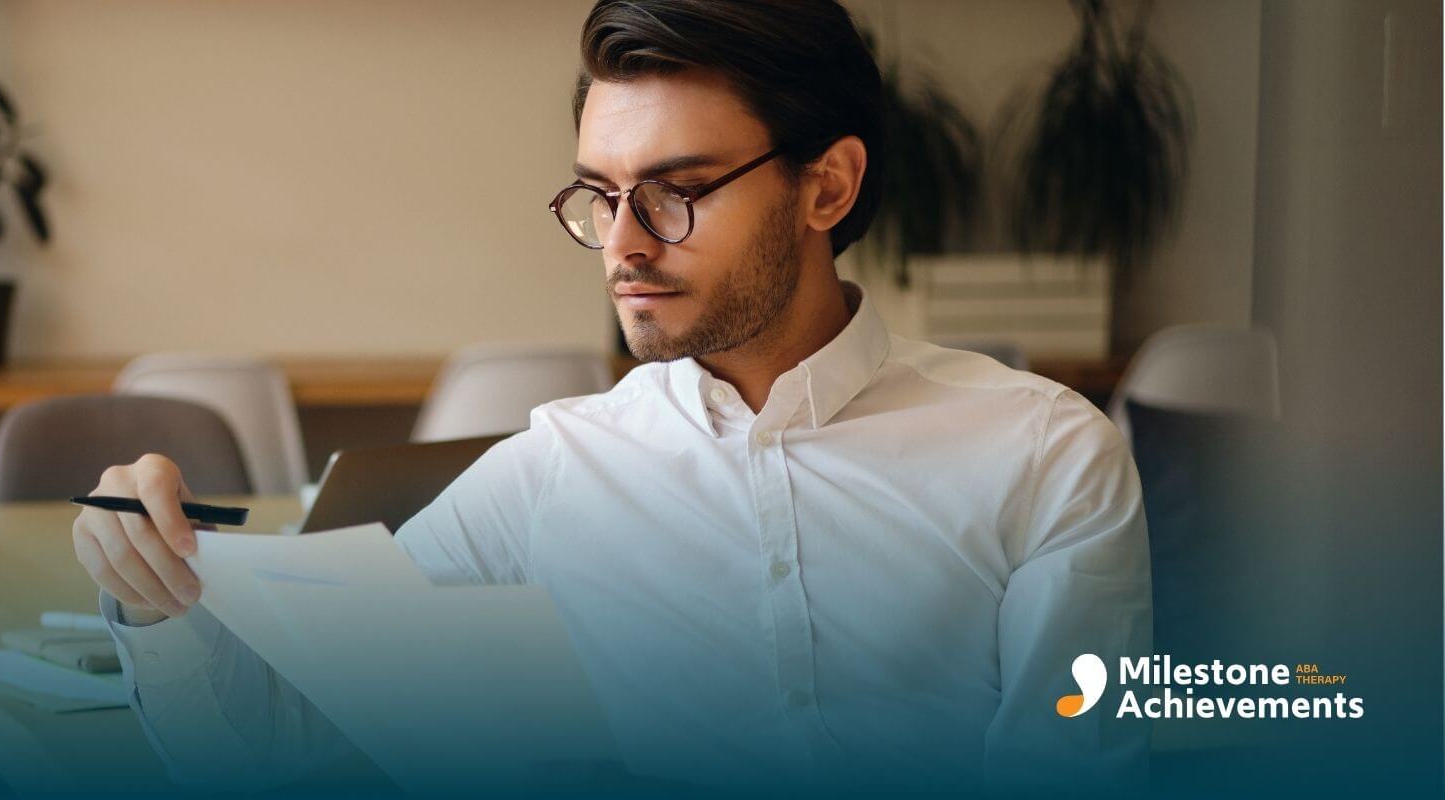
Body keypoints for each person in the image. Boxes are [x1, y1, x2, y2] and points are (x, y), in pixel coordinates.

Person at [72, 0, 1151, 793]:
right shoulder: (552, 472)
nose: (624, 245)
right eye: (602, 195)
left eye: (678, 191)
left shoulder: (1043, 453)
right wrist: (151, 593)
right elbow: (275, 738)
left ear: (826, 185)